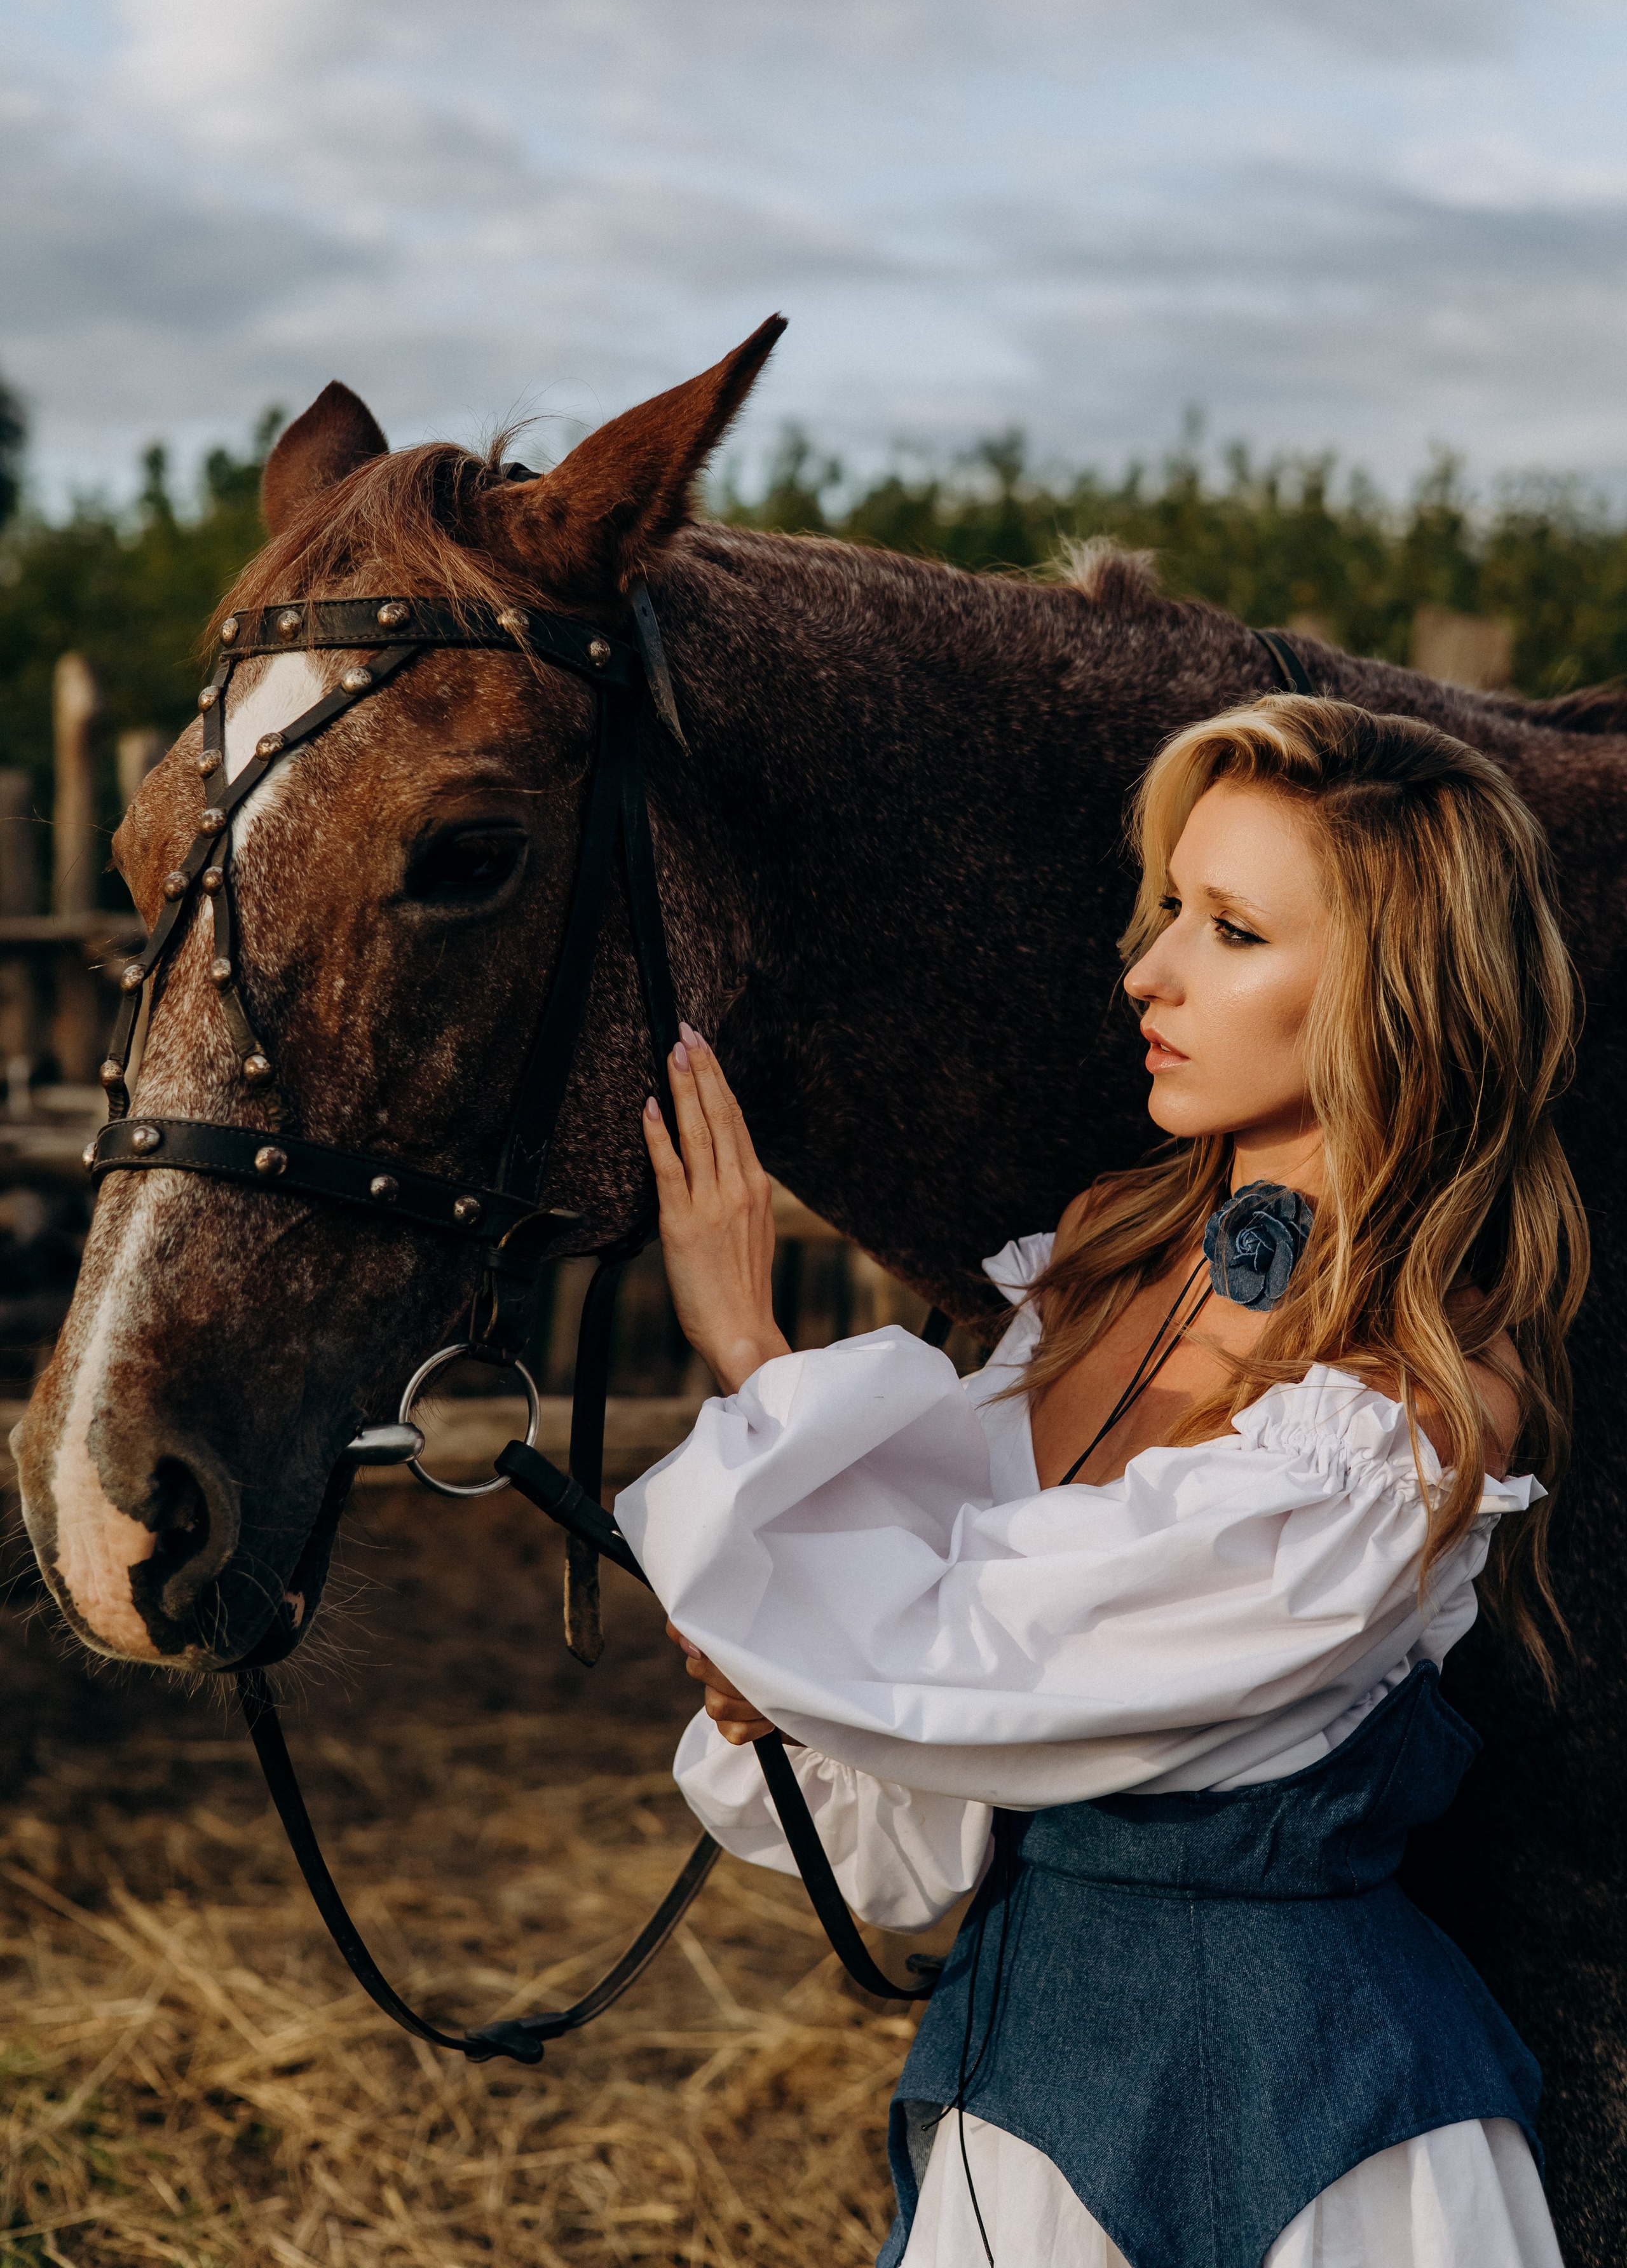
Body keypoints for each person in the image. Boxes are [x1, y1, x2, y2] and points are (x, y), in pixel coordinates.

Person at [615, 694, 1585, 2268]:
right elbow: (916, 1822)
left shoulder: (1402, 1418)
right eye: (1163, 913)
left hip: (1314, 2155)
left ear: (1389, 1000)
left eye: (1230, 929)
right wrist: (782, 1691)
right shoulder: (1097, 1267)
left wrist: (748, 1352)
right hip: (1023, 2111)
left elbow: (969, 1655)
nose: (1148, 972)